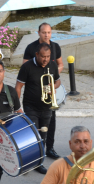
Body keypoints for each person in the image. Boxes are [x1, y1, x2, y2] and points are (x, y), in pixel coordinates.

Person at [15, 43, 61, 175]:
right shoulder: (27, 66)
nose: (45, 59)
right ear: (37, 55)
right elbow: (18, 87)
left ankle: (39, 163)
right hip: (31, 106)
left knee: (43, 136)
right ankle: (28, 162)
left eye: (47, 56)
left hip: (47, 107)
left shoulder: (52, 65)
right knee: (32, 135)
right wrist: (17, 107)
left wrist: (53, 86)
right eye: (43, 57)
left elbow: (58, 81)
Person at [23, 23, 64, 160]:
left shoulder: (55, 47)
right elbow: (25, 66)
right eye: (44, 32)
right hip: (34, 92)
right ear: (39, 33)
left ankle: (49, 148)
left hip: (49, 90)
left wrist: (52, 78)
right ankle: (33, 154)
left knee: (51, 123)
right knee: (35, 127)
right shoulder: (31, 47)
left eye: (49, 32)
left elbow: (60, 64)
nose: (46, 35)